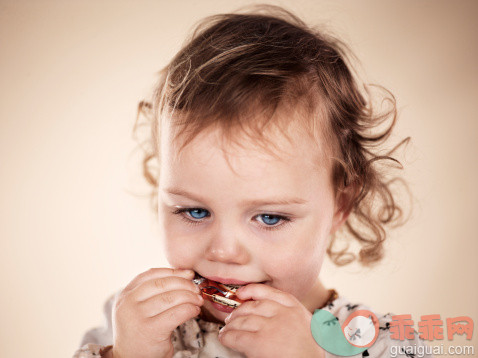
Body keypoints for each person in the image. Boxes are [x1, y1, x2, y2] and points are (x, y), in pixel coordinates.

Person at [74, 4, 433, 358]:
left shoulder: (379, 341)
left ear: (340, 205)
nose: (224, 251)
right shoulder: (133, 325)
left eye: (270, 218)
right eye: (195, 211)